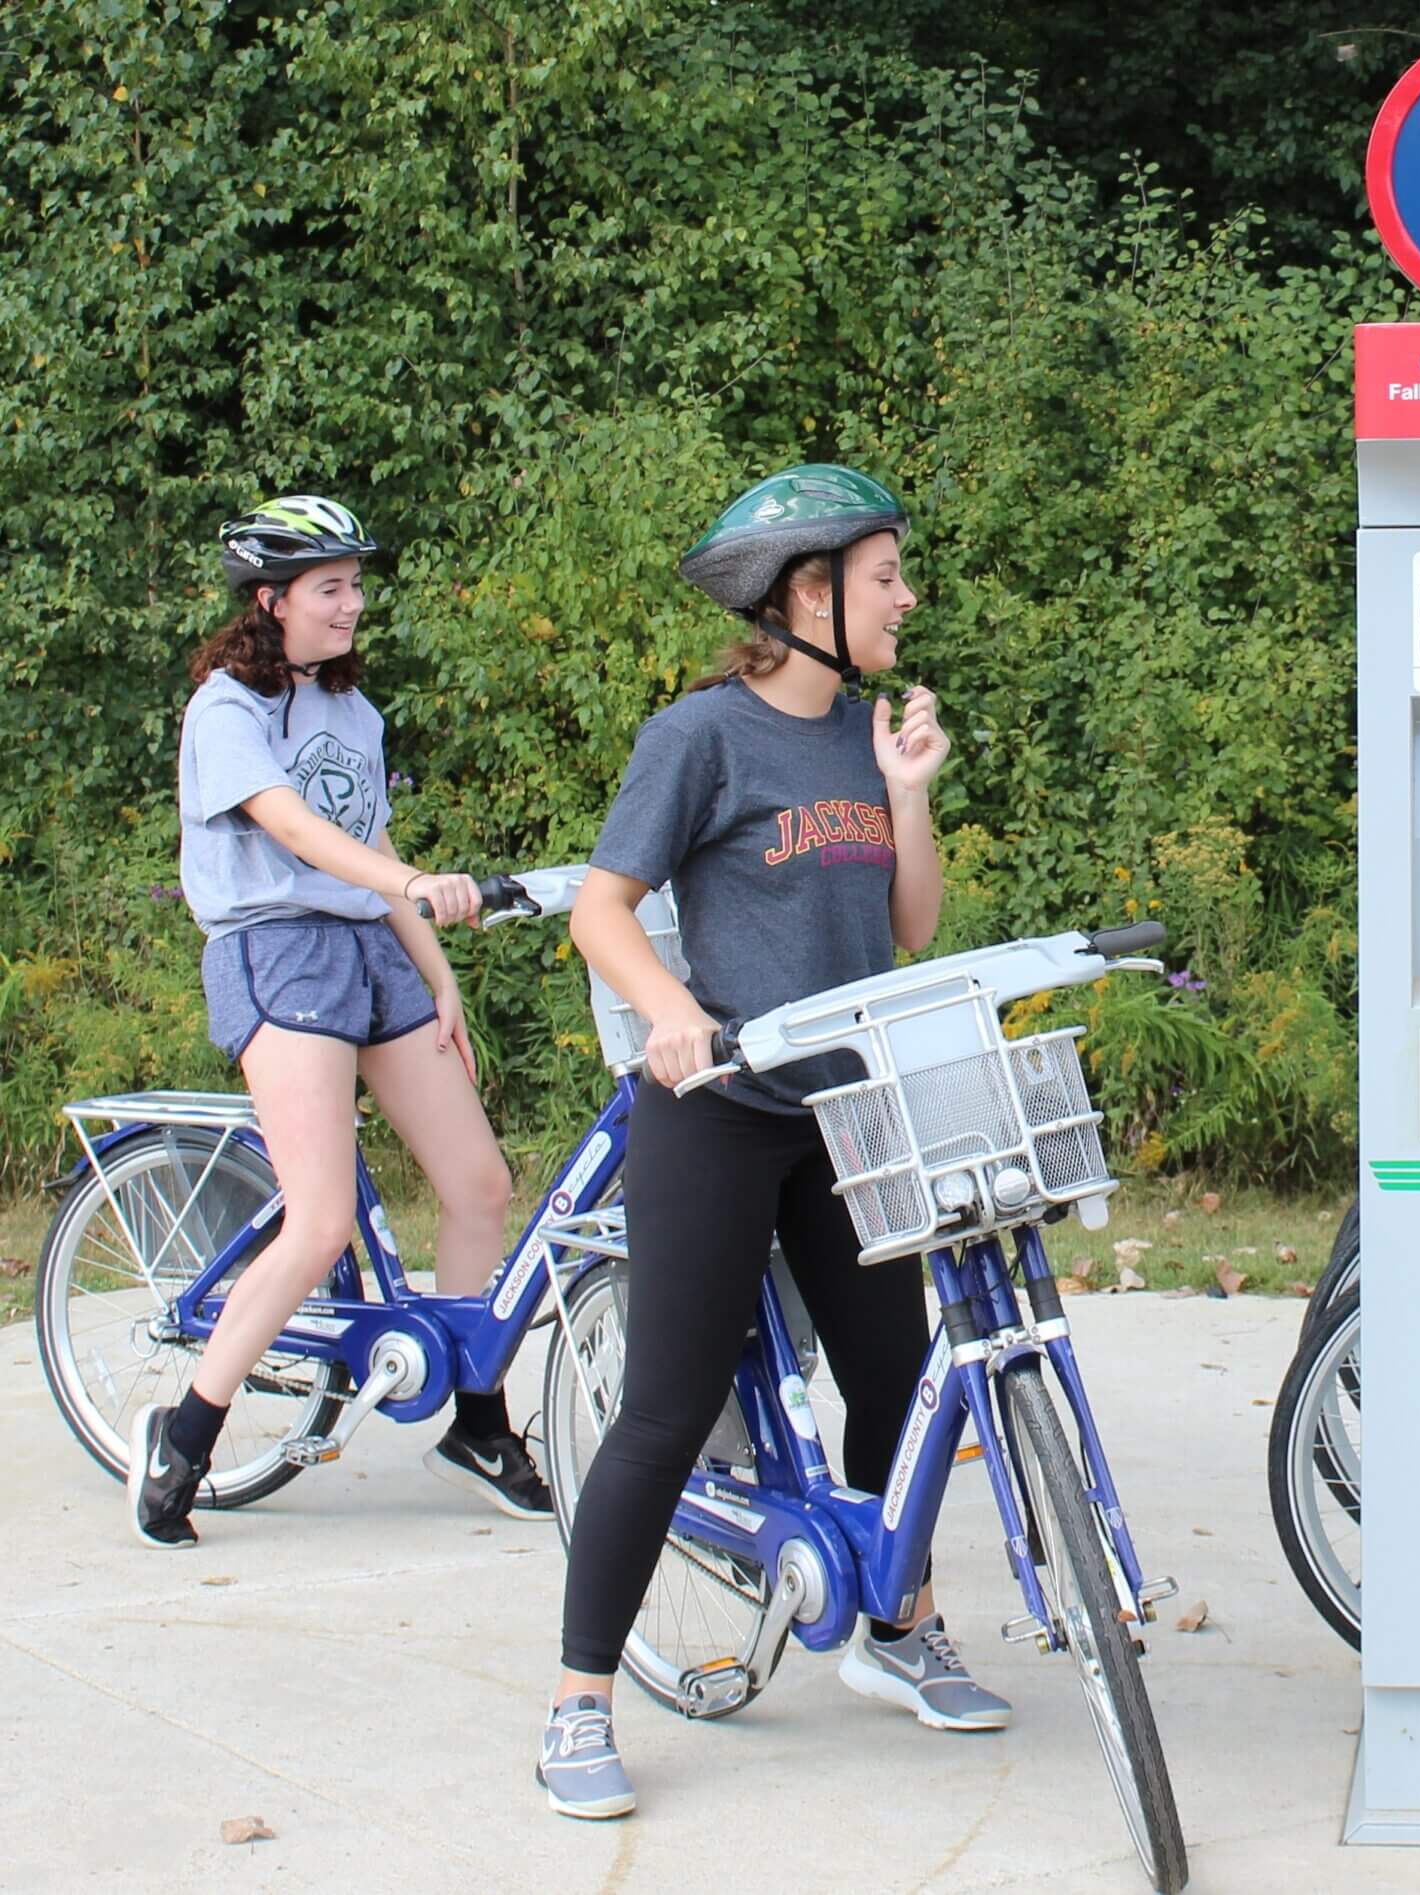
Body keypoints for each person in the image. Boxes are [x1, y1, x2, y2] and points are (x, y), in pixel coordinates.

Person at [539, 463, 1004, 1822]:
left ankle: (895, 1621)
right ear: (808, 593)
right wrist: (673, 1012)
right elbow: (604, 909)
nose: (907, 597)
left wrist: (908, 790)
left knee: (898, 1382)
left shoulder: (866, 731)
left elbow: (908, 925)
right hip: (718, 1113)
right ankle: (576, 1700)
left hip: (844, 1110)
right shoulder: (703, 737)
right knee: (669, 1410)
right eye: (884, 577)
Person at [133, 496, 546, 1549]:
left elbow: (372, 842)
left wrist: (435, 969)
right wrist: (412, 882)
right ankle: (185, 1433)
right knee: (318, 1222)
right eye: (331, 588)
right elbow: (295, 830)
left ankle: (477, 1422)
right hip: (278, 947)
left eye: (357, 585)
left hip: (370, 945)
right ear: (270, 601)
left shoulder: (355, 714)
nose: (353, 603)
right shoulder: (226, 709)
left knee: (480, 1183)